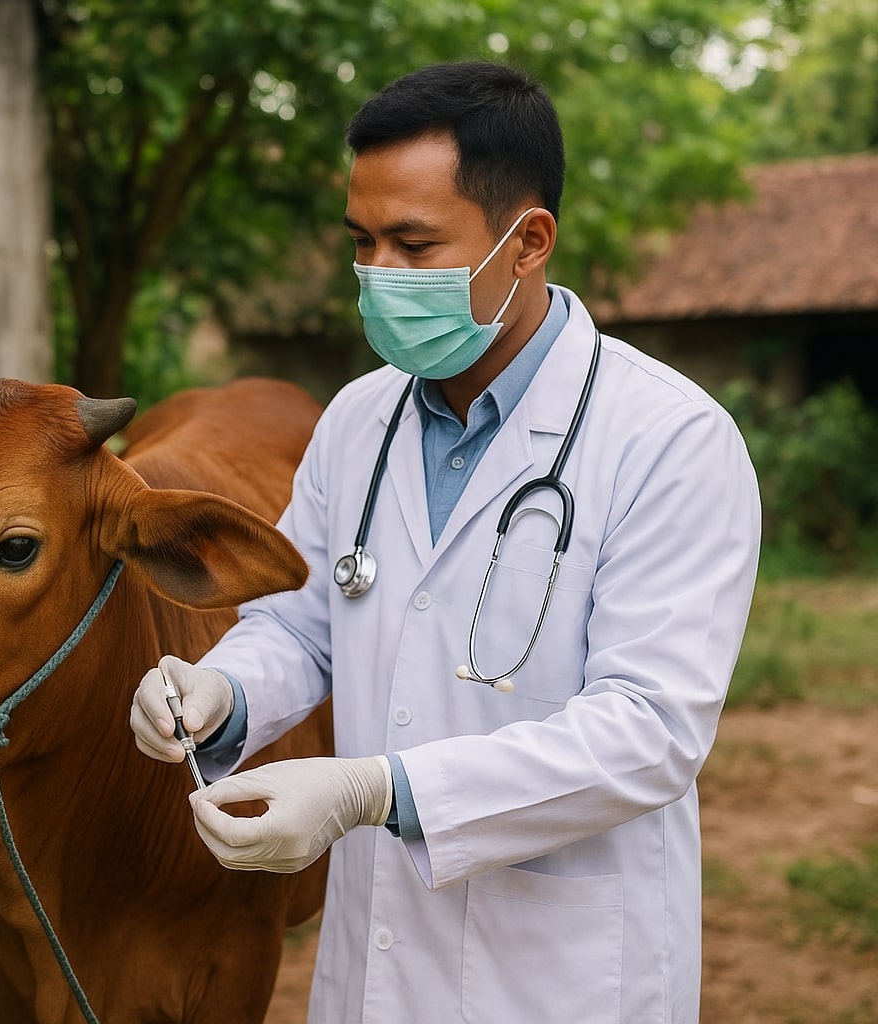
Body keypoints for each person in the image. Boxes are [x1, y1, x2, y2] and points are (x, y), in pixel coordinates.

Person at [131, 62, 760, 1022]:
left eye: (415, 245)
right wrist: (223, 692)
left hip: (558, 971)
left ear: (528, 241)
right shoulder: (357, 422)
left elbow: (650, 732)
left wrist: (378, 792)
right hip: (377, 959)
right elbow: (302, 624)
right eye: (363, 242)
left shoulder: (669, 439)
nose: (380, 274)